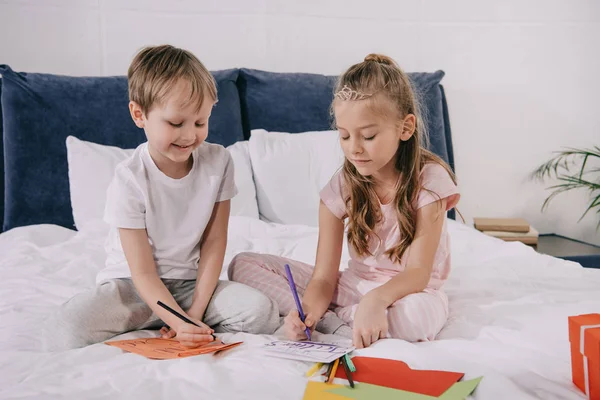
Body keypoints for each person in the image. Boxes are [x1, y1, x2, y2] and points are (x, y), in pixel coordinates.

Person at [43, 45, 279, 351]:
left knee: (261, 312)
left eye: (200, 122)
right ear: (139, 114)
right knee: (63, 329)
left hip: (190, 286)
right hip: (134, 287)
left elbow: (214, 242)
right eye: (176, 123)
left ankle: (166, 320)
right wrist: (180, 323)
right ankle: (159, 319)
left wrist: (193, 314)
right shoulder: (129, 179)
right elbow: (141, 271)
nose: (189, 136)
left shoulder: (219, 162)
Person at [228, 53, 460, 349]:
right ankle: (333, 322)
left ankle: (345, 320)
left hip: (409, 292)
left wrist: (376, 301)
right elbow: (324, 278)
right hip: (352, 286)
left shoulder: (430, 180)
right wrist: (308, 312)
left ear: (405, 127)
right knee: (243, 265)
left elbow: (418, 272)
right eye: (344, 136)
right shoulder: (340, 189)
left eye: (368, 136)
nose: (354, 149)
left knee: (414, 319)